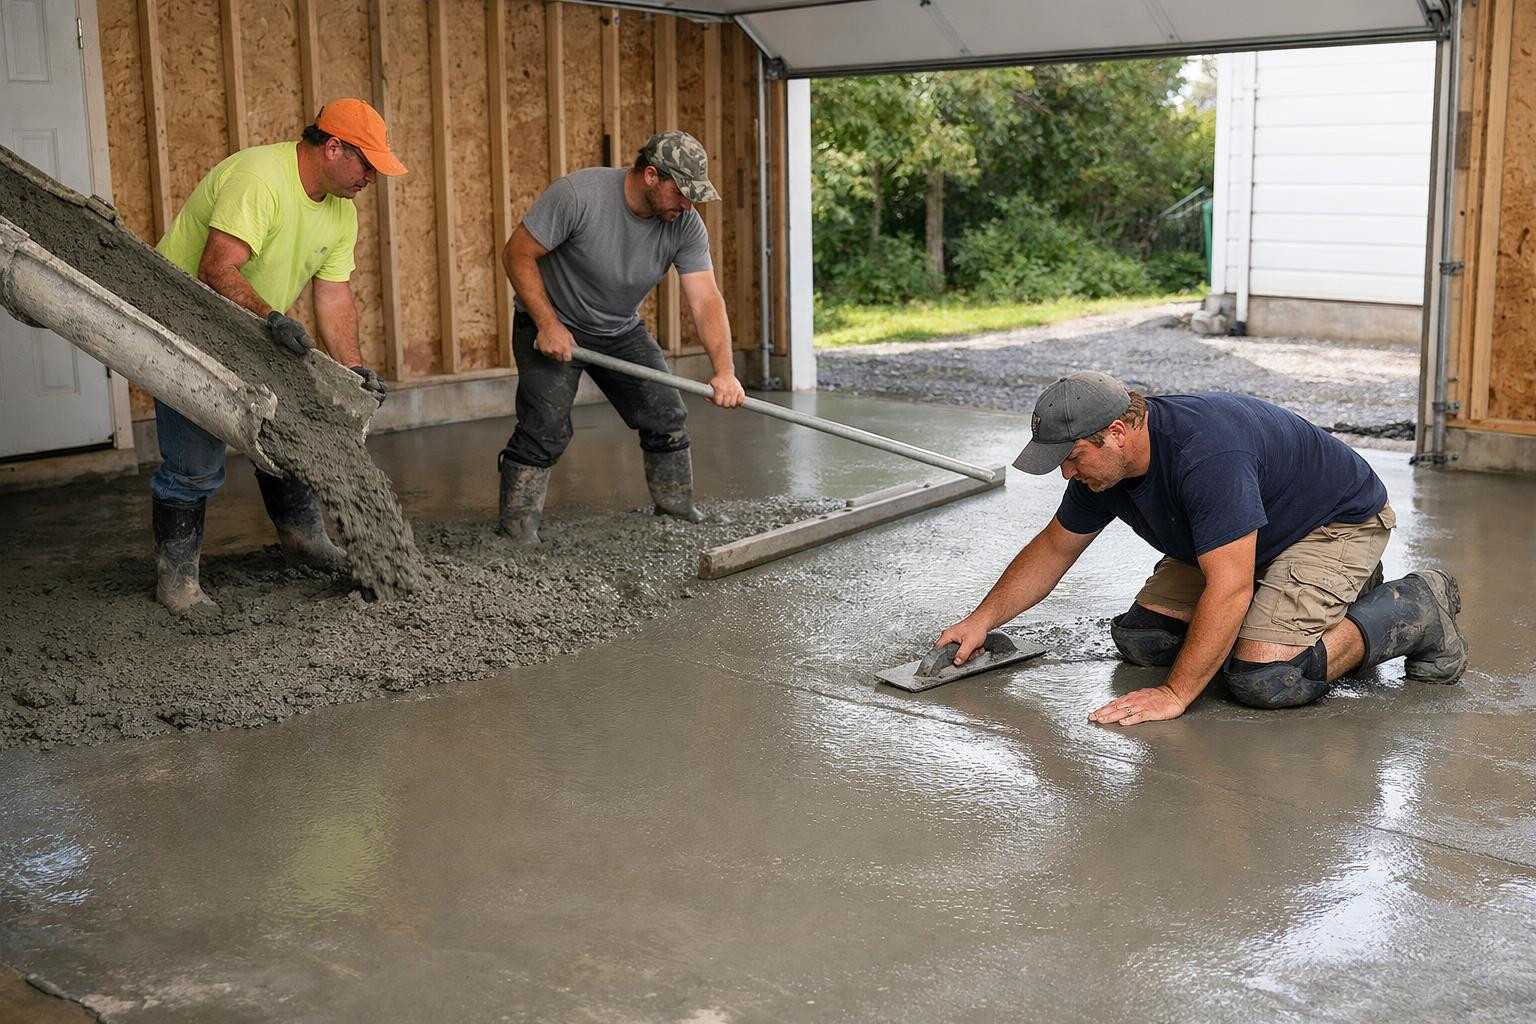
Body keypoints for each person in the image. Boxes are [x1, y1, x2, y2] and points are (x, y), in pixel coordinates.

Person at [936, 371, 1467, 725]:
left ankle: (1417, 606)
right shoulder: (1103, 470)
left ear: (1117, 432)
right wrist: (981, 620)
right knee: (1145, 639)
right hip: (1247, 538)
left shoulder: (1206, 456)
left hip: (1331, 525)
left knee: (1266, 678)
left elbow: (1229, 586)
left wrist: (1174, 695)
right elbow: (1054, 549)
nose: (1067, 473)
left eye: (1071, 457)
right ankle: (1306, 596)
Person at [150, 98, 405, 615]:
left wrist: (352, 370)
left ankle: (302, 540)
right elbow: (217, 268)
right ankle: (177, 583)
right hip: (183, 318)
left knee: (296, 432)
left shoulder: (340, 212)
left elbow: (335, 298)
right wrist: (272, 316)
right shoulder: (260, 178)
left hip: (251, 326)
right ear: (333, 147)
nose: (371, 179)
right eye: (368, 165)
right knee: (194, 463)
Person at [496, 130, 746, 544]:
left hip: (619, 329)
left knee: (666, 415)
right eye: (682, 193)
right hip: (554, 324)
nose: (688, 204)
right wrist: (547, 324)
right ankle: (516, 531)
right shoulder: (579, 195)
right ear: (651, 176)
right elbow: (516, 254)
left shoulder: (684, 224)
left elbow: (705, 300)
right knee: (545, 427)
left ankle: (676, 512)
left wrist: (725, 371)